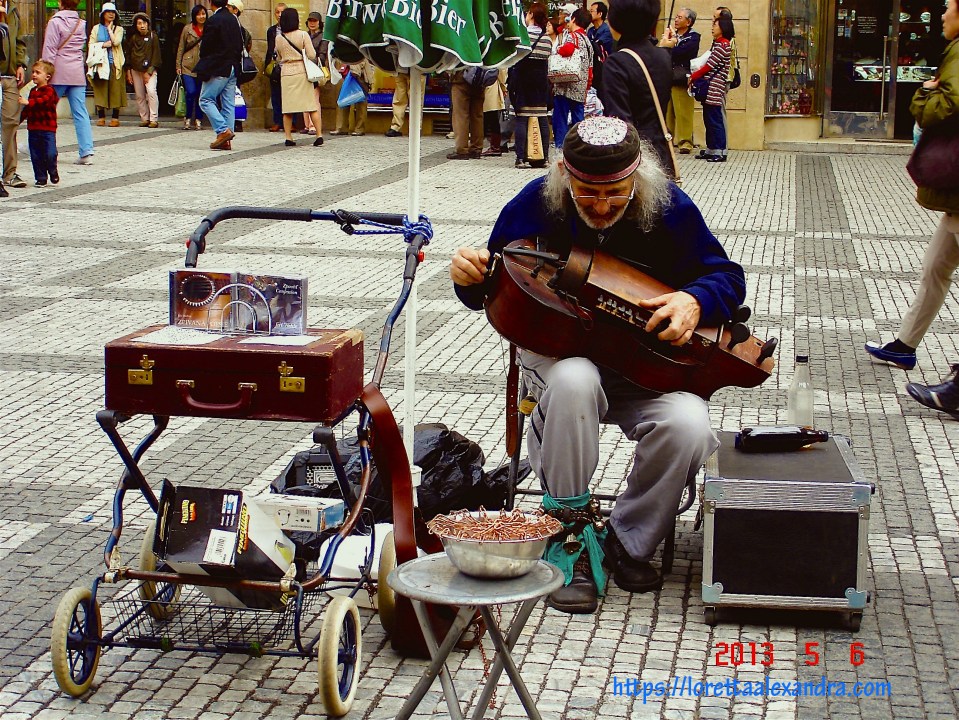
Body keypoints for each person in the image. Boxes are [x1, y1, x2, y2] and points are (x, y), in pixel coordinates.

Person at [449, 116, 745, 614]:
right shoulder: (533, 204)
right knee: (574, 378)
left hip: (644, 368)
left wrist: (696, 300)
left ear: (638, 177)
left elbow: (725, 276)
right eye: (588, 194)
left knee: (690, 424)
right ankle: (567, 536)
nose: (603, 206)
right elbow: (494, 283)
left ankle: (627, 541)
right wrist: (468, 277)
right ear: (565, 175)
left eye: (616, 193)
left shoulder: (667, 206)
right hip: (562, 359)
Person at [865, 0, 959, 374]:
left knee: (935, 268)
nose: (942, 14)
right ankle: (905, 345)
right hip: (955, 195)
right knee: (935, 267)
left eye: (948, 7)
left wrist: (923, 92)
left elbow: (948, 104)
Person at [599, 0, 672, 174]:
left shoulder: (617, 63)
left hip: (633, 158)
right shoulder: (663, 56)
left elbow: (620, 122)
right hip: (661, 150)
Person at [41, 0, 94, 165]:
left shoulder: (55, 22)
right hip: (77, 72)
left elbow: (49, 49)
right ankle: (86, 151)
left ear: (60, 2)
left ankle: (43, 148)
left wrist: (45, 73)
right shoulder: (81, 23)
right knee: (80, 112)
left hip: (58, 72)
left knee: (47, 111)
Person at [194, 0, 242, 150]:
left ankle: (223, 131)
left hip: (218, 67)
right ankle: (226, 141)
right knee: (228, 103)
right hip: (233, 66)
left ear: (210, 2)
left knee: (205, 100)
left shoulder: (213, 20)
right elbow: (240, 43)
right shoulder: (233, 18)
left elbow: (205, 48)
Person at [508, 2, 551, 169]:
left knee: (522, 119)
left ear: (532, 15)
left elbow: (515, 58)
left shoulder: (522, 37)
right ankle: (544, 157)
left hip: (523, 82)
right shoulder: (547, 39)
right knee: (542, 119)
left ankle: (521, 157)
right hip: (540, 83)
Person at [274, 7, 323, 147]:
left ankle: (289, 137)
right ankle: (319, 135)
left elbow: (278, 57)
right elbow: (312, 54)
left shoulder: (279, 38)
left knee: (288, 109)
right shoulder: (303, 35)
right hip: (302, 71)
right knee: (311, 105)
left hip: (287, 73)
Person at [689, 13, 732, 162]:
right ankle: (711, 148)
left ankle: (719, 151)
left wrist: (693, 77)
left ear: (723, 27)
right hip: (710, 88)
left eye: (715, 25)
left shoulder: (724, 44)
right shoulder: (718, 43)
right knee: (708, 118)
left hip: (715, 87)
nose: (712, 28)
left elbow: (709, 66)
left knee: (715, 119)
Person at [659, 7, 700, 154]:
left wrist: (672, 44)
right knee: (668, 111)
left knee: (683, 112)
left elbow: (681, 53)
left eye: (680, 17)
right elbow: (662, 52)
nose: (676, 20)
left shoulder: (694, 37)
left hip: (682, 78)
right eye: (676, 17)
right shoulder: (672, 35)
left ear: (688, 22)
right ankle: (667, 140)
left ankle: (685, 142)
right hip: (668, 77)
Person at [551, 9, 593, 148]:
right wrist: (587, 86)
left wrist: (558, 50)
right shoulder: (587, 40)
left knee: (560, 118)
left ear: (574, 19)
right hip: (581, 85)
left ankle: (560, 148)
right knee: (578, 120)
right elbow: (590, 67)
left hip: (566, 83)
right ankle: (580, 147)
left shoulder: (572, 36)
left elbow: (567, 50)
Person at [0, 0, 27, 189]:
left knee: (10, 122)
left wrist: (20, 63)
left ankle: (9, 172)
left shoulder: (14, 9)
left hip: (9, 76)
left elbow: (19, 40)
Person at [18, 60, 59, 187]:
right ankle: (41, 177)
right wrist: (17, 122)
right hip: (33, 128)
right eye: (33, 72)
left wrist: (29, 102)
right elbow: (27, 110)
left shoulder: (50, 90)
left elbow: (43, 101)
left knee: (50, 153)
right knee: (36, 155)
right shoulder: (32, 91)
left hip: (48, 128)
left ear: (47, 77)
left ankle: (52, 170)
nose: (34, 75)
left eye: (38, 72)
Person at [87, 2, 126, 128]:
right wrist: (103, 45)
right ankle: (101, 116)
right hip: (100, 63)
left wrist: (110, 29)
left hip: (114, 63)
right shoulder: (96, 28)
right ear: (103, 14)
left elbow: (116, 42)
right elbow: (90, 45)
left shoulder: (119, 29)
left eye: (113, 12)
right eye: (108, 12)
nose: (111, 14)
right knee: (100, 89)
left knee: (115, 90)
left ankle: (115, 117)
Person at [123, 13, 162, 128]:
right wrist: (128, 71)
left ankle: (154, 118)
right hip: (135, 69)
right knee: (140, 95)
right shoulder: (133, 38)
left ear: (148, 24)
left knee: (151, 92)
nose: (142, 26)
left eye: (144, 23)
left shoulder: (153, 37)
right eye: (139, 23)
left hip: (150, 70)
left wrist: (149, 71)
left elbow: (156, 56)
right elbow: (129, 55)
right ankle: (144, 118)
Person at [176, 4, 206, 130]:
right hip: (187, 66)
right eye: (198, 14)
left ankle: (198, 119)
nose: (201, 16)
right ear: (194, 15)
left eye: (203, 14)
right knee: (191, 91)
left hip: (203, 66)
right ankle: (187, 117)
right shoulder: (187, 29)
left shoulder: (209, 28)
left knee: (201, 94)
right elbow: (181, 47)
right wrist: (178, 65)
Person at [446, 67, 485, 158]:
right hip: (479, 79)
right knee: (477, 116)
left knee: (461, 115)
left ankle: (462, 150)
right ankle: (476, 148)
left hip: (460, 79)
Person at [330, 54, 373, 137]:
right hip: (345, 69)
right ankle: (342, 127)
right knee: (343, 101)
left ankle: (359, 128)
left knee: (361, 103)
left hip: (361, 70)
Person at [225, 0, 252, 133]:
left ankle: (234, 122)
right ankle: (234, 122)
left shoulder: (239, 29)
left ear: (236, 10)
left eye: (229, 7)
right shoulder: (241, 29)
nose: (227, 8)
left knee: (233, 95)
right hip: (233, 65)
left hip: (233, 65)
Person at [302, 11, 327, 136]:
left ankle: (313, 126)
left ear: (319, 23)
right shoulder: (304, 35)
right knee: (304, 98)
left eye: (315, 21)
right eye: (310, 21)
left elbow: (322, 55)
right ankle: (306, 125)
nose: (312, 23)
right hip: (303, 69)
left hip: (315, 69)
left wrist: (311, 60)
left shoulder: (323, 36)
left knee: (314, 98)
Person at [386, 66, 424, 138]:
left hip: (417, 68)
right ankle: (395, 127)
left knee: (415, 100)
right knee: (400, 99)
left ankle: (416, 128)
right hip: (402, 68)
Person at [265, 3, 286, 132]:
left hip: (288, 64)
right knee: (275, 94)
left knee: (289, 95)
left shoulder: (292, 29)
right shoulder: (271, 30)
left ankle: (291, 121)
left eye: (282, 12)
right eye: (277, 12)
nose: (279, 15)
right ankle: (277, 121)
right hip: (275, 64)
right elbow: (269, 48)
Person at [586, 2, 613, 90]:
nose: (589, 14)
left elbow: (596, 45)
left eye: (592, 11)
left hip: (603, 69)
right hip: (592, 67)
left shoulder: (606, 30)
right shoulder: (590, 30)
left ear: (600, 14)